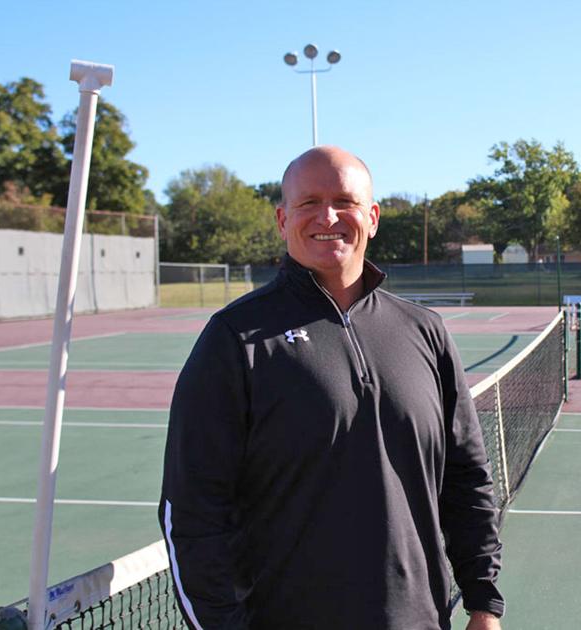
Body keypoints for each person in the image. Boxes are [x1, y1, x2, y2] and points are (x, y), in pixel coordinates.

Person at [159, 145, 504, 629]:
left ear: (373, 217)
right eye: (308, 203)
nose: (328, 216)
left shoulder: (425, 330)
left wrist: (484, 601)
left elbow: (466, 478)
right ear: (283, 220)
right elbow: (192, 512)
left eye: (345, 200)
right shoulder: (234, 339)